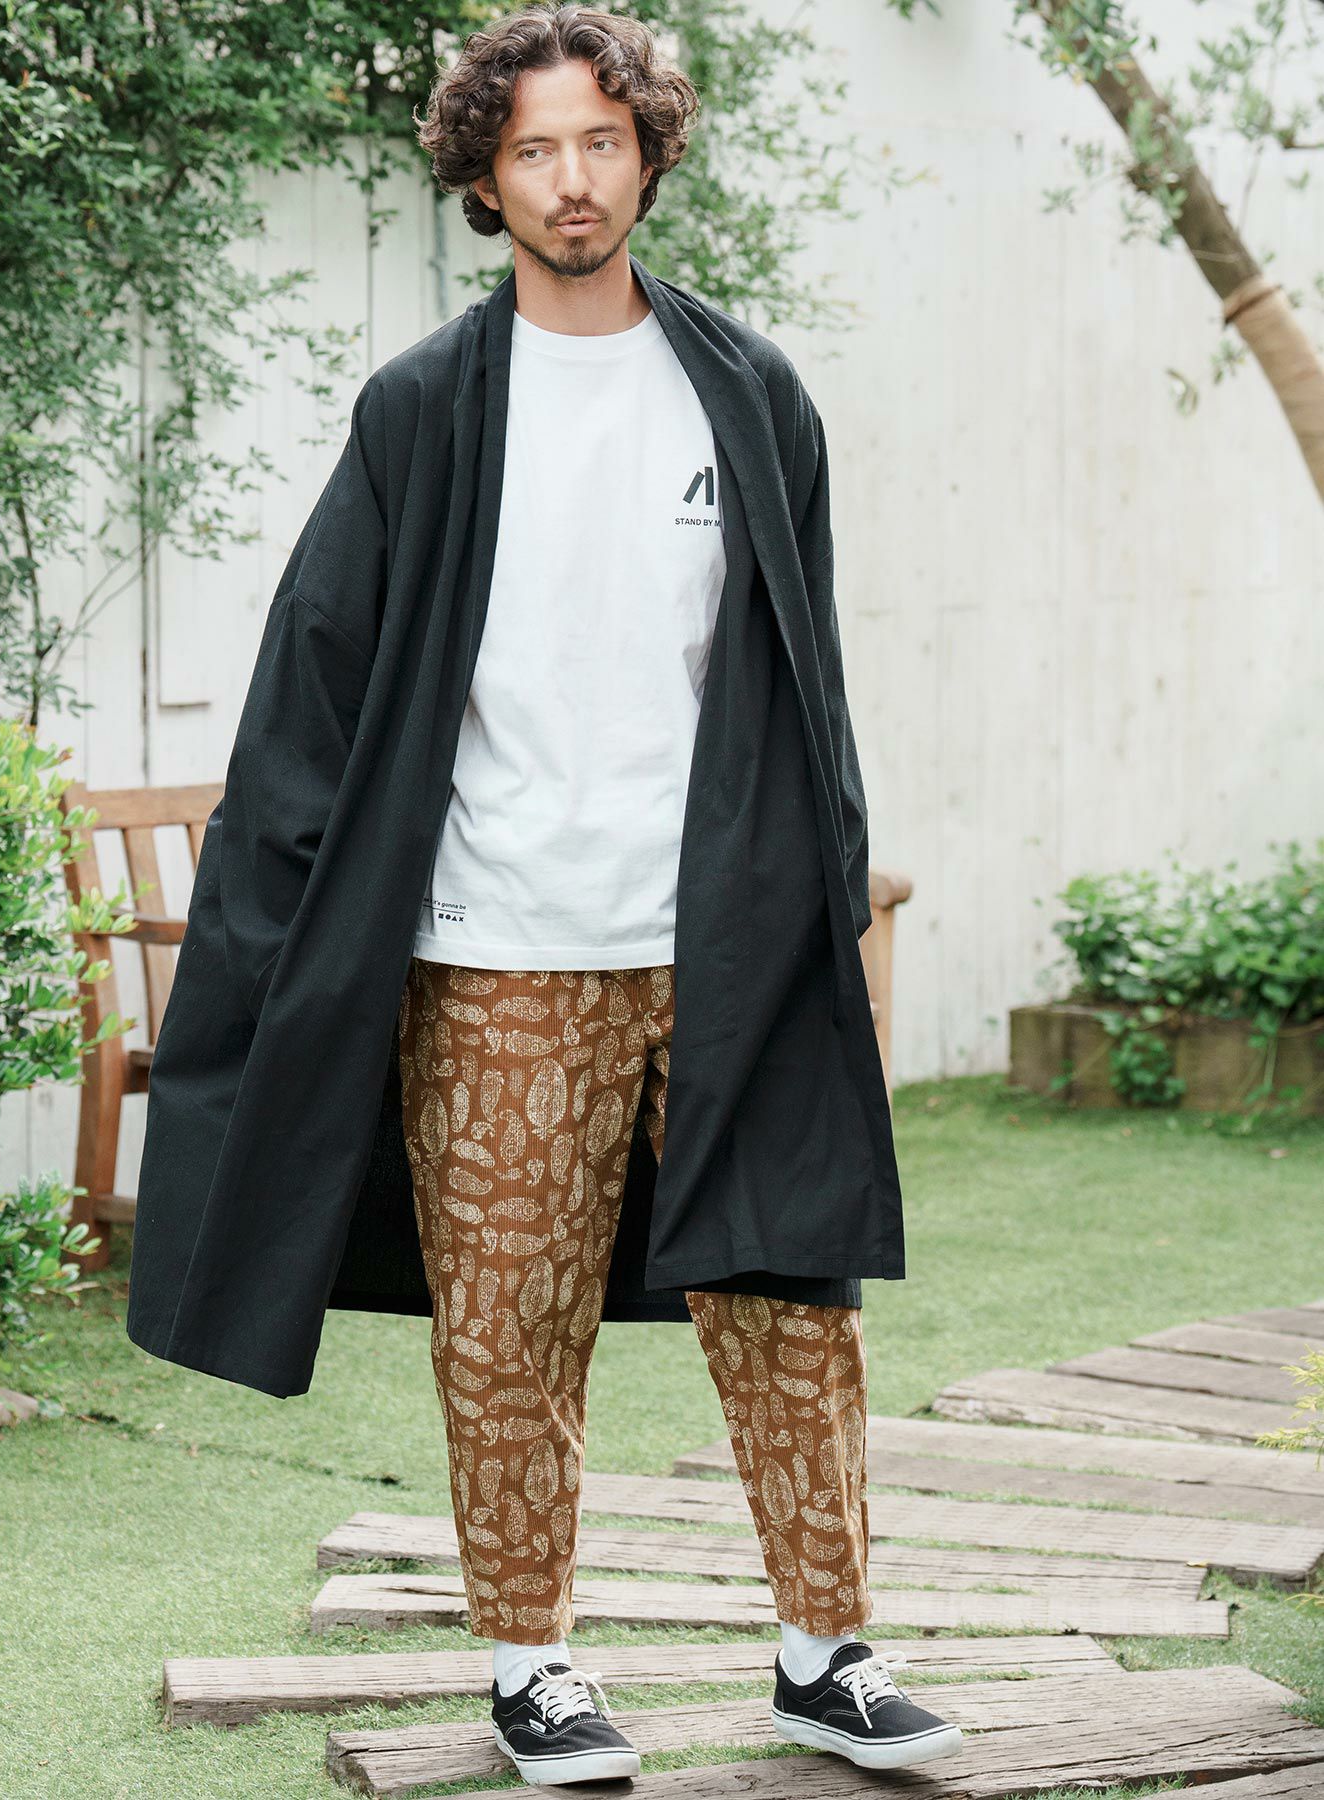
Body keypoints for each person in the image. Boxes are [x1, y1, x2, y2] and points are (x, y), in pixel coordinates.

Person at [393, 4, 963, 1784]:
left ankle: (824, 1657)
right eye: (534, 150)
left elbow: (804, 676)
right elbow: (334, 685)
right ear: (486, 177)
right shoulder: (425, 410)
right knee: (510, 1330)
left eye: (601, 141)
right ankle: (532, 1670)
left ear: (646, 155)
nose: (572, 179)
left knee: (793, 1309)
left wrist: (821, 886)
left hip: (720, 941)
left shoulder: (748, 391)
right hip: (498, 946)